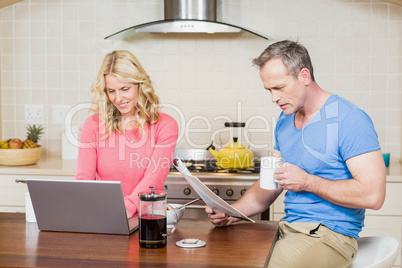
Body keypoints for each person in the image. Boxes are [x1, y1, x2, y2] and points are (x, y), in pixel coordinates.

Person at [205, 40, 386, 268]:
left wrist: (308, 182)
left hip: (330, 235)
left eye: (279, 88)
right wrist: (233, 212)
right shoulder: (285, 120)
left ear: (304, 76)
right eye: (269, 90)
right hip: (286, 228)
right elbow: (270, 185)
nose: (274, 98)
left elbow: (373, 196)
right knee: (220, 257)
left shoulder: (350, 119)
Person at [75, 50, 179, 218]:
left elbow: (154, 178)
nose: (118, 98)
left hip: (148, 217)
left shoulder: (165, 125)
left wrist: (127, 208)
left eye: (125, 89)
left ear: (140, 85)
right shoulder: (93, 125)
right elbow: (83, 180)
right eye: (111, 91)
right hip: (106, 215)